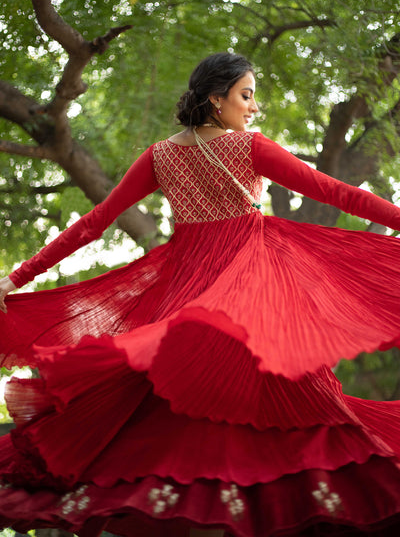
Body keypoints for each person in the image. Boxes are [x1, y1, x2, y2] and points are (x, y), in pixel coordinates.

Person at [0, 52, 400, 537]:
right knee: (294, 419)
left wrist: (18, 277)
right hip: (245, 299)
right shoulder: (249, 149)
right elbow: (339, 193)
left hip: (188, 301)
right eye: (245, 95)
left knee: (169, 422)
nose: (253, 107)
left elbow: (93, 224)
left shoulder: (160, 156)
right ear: (217, 100)